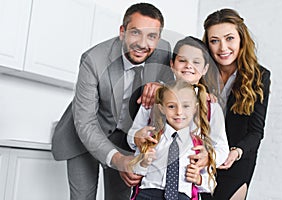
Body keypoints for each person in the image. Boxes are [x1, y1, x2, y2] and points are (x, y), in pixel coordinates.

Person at [51, 3, 174, 200]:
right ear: (122, 32)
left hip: (125, 137)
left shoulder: (164, 52)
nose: (143, 44)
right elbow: (86, 123)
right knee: (83, 197)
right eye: (135, 33)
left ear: (158, 38)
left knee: (121, 197)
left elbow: (178, 91)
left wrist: (162, 88)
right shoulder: (94, 60)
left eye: (151, 36)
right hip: (84, 135)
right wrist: (118, 160)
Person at [127, 36, 229, 199]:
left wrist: (208, 158)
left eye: (196, 62)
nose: (189, 66)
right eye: (182, 60)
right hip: (149, 188)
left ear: (205, 69)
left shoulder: (211, 107)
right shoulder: (154, 98)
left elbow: (222, 148)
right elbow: (132, 137)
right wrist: (139, 138)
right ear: (172, 64)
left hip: (186, 189)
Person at [202, 8, 271, 200]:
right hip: (202, 158)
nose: (223, 48)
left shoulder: (259, 77)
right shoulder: (199, 71)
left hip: (236, 159)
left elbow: (256, 132)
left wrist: (236, 152)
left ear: (241, 38)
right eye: (214, 41)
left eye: (229, 38)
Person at [130, 79, 216, 200]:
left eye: (186, 106)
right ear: (161, 108)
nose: (179, 112)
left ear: (194, 108)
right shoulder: (151, 138)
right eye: (171, 106)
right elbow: (134, 171)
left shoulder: (198, 146)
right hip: (148, 194)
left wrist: (199, 179)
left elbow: (211, 184)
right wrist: (144, 163)